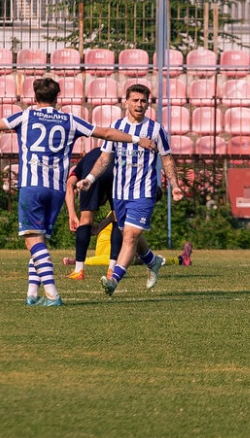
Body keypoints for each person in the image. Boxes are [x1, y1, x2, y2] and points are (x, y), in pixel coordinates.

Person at [0, 77, 153, 307]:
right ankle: (32, 294)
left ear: (34, 98)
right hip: (55, 191)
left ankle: (52, 294)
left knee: (32, 241)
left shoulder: (26, 116)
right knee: (39, 239)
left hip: (32, 187)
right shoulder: (70, 120)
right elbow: (105, 133)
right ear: (57, 98)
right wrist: (136, 139)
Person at [78, 83, 185, 297]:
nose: (139, 104)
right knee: (130, 234)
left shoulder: (155, 130)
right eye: (135, 100)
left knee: (131, 235)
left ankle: (112, 281)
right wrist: (89, 178)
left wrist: (175, 186)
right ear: (126, 102)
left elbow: (167, 159)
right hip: (120, 193)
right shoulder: (116, 128)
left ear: (148, 104)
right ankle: (152, 261)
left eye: (143, 101)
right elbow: (104, 157)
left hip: (144, 192)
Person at [64, 145, 122, 281]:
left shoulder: (82, 163)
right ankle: (112, 270)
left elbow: (70, 184)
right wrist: (100, 226)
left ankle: (79, 270)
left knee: (86, 220)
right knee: (119, 218)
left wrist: (72, 214)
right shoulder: (115, 154)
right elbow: (117, 214)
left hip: (93, 171)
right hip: (116, 170)